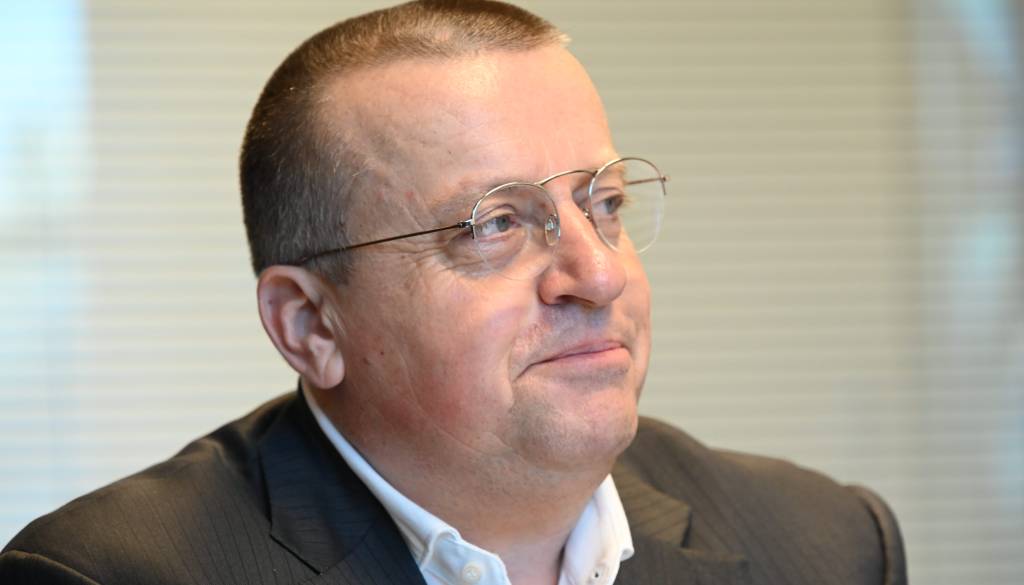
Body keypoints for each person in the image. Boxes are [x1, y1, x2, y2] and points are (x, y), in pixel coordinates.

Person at [0, 1, 907, 584]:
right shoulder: (107, 573)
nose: (598, 275)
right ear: (311, 324)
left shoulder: (826, 546)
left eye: (605, 204)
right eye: (494, 225)